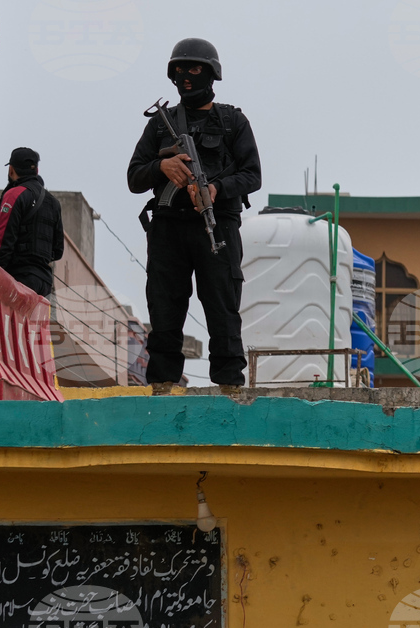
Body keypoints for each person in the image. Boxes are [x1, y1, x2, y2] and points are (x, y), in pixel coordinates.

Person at [127, 38, 261, 395]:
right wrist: (162, 166)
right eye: (180, 70)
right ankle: (162, 383)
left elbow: (252, 175)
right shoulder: (161, 125)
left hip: (217, 226)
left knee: (222, 304)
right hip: (169, 227)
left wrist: (216, 188)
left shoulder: (232, 122)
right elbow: (134, 177)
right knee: (164, 306)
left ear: (212, 74)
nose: (186, 76)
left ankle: (229, 384)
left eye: (194, 68)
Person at [0, 147, 64, 297]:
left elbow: (2, 241)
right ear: (37, 171)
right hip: (44, 284)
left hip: (19, 279)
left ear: (11, 170)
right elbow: (58, 250)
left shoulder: (14, 195)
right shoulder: (54, 203)